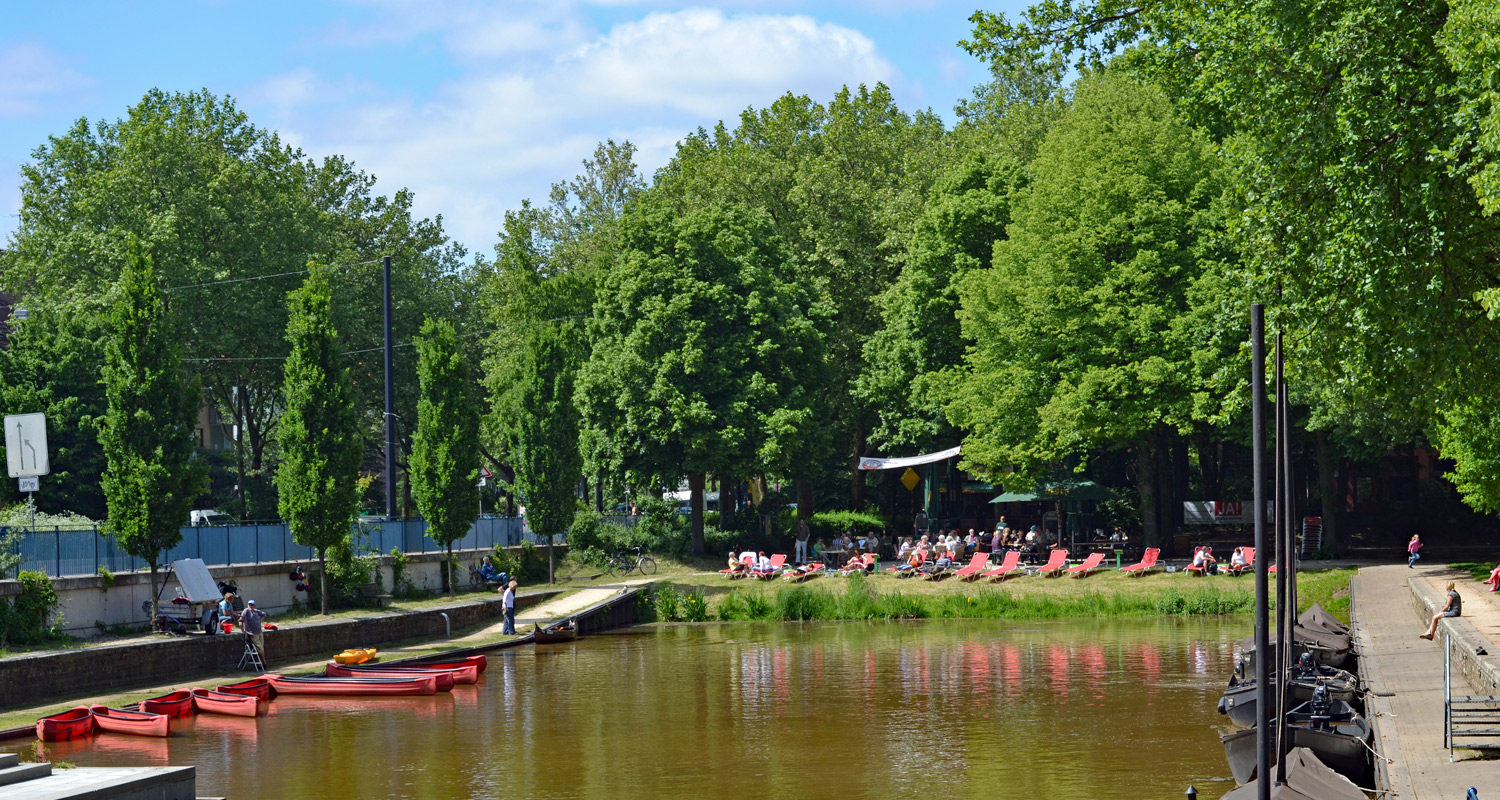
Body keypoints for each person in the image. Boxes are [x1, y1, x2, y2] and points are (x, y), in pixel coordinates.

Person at [240, 599, 267, 664]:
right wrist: (242, 630)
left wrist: (260, 620)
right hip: (253, 633)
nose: (251, 606)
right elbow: (241, 620)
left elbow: (264, 614)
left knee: (261, 648)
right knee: (260, 648)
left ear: (254, 606)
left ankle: (260, 663)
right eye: (249, 605)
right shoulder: (246, 611)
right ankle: (264, 661)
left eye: (252, 605)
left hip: (259, 632)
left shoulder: (256, 611)